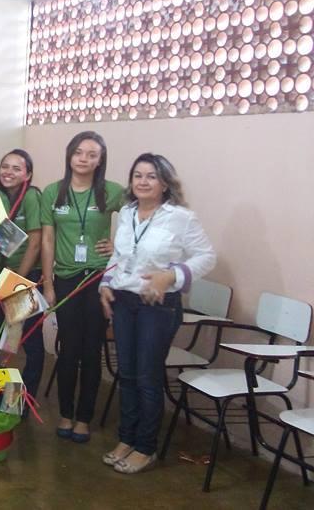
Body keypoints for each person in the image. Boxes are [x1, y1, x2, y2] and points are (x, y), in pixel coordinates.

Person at [99, 153, 215, 474]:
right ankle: (127, 438)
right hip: (124, 301)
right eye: (137, 175)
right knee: (127, 374)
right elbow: (120, 255)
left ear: (165, 183)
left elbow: (206, 257)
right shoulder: (126, 213)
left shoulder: (180, 218)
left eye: (151, 176)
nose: (143, 181)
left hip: (157, 305)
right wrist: (107, 283)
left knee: (148, 377)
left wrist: (172, 276)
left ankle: (146, 447)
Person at [40, 131, 123, 444]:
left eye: (92, 154)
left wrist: (119, 246)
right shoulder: (54, 192)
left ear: (100, 160)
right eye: (79, 152)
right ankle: (65, 413)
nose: (84, 159)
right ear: (69, 155)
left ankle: (84, 418)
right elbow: (47, 240)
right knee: (68, 348)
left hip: (99, 280)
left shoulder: (111, 192)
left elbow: (142, 217)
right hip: (66, 278)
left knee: (92, 350)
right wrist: (48, 283)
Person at [0, 149, 44, 396]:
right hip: (5, 277)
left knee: (30, 341)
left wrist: (18, 283)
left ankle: (28, 397)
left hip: (26, 278)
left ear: (28, 174)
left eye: (17, 168)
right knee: (5, 340)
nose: (9, 172)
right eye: (5, 166)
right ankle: (1, 394)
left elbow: (35, 243)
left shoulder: (32, 197)